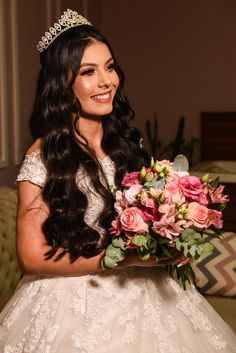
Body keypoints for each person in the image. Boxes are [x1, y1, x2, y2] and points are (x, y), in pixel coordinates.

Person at [0, 9, 235, 353]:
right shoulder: (43, 155)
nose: (107, 81)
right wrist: (119, 260)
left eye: (109, 67)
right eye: (88, 72)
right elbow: (31, 256)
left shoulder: (127, 144)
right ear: (61, 84)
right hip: (71, 301)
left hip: (149, 290)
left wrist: (169, 239)